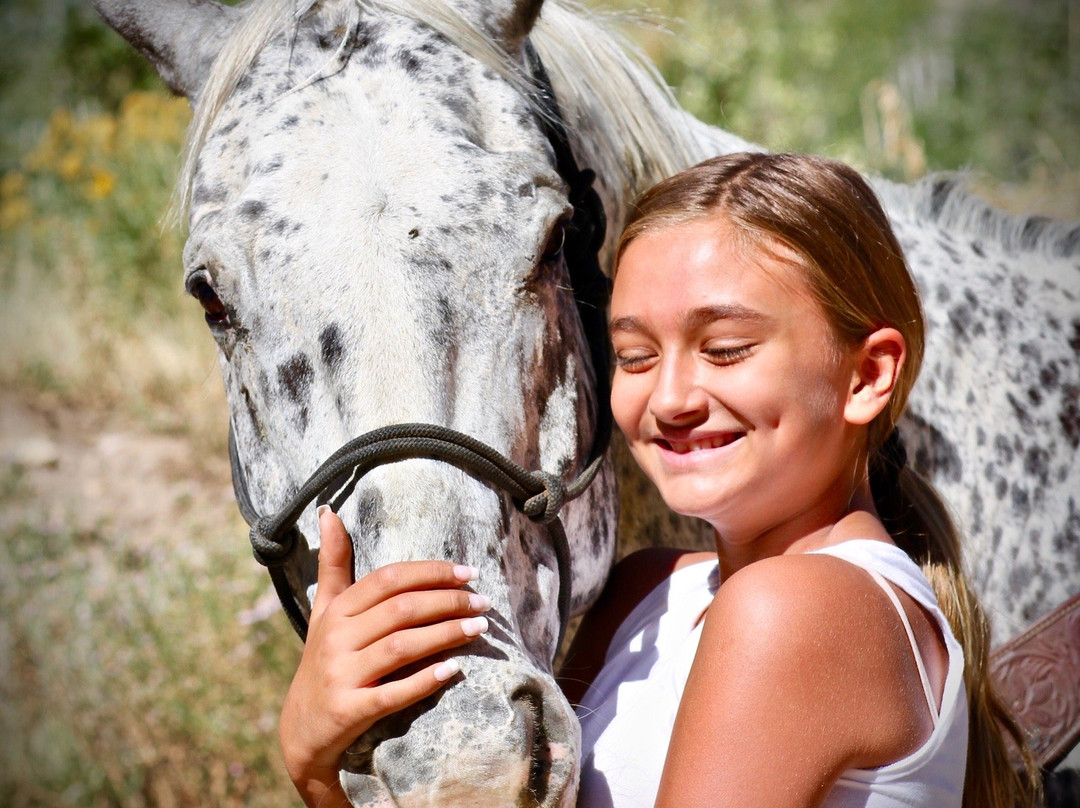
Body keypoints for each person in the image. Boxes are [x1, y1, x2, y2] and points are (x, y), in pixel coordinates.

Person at [278, 152, 1039, 808]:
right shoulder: (645, 594)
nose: (670, 398)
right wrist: (319, 764)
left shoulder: (796, 609)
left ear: (868, 375)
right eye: (636, 356)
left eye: (728, 347)